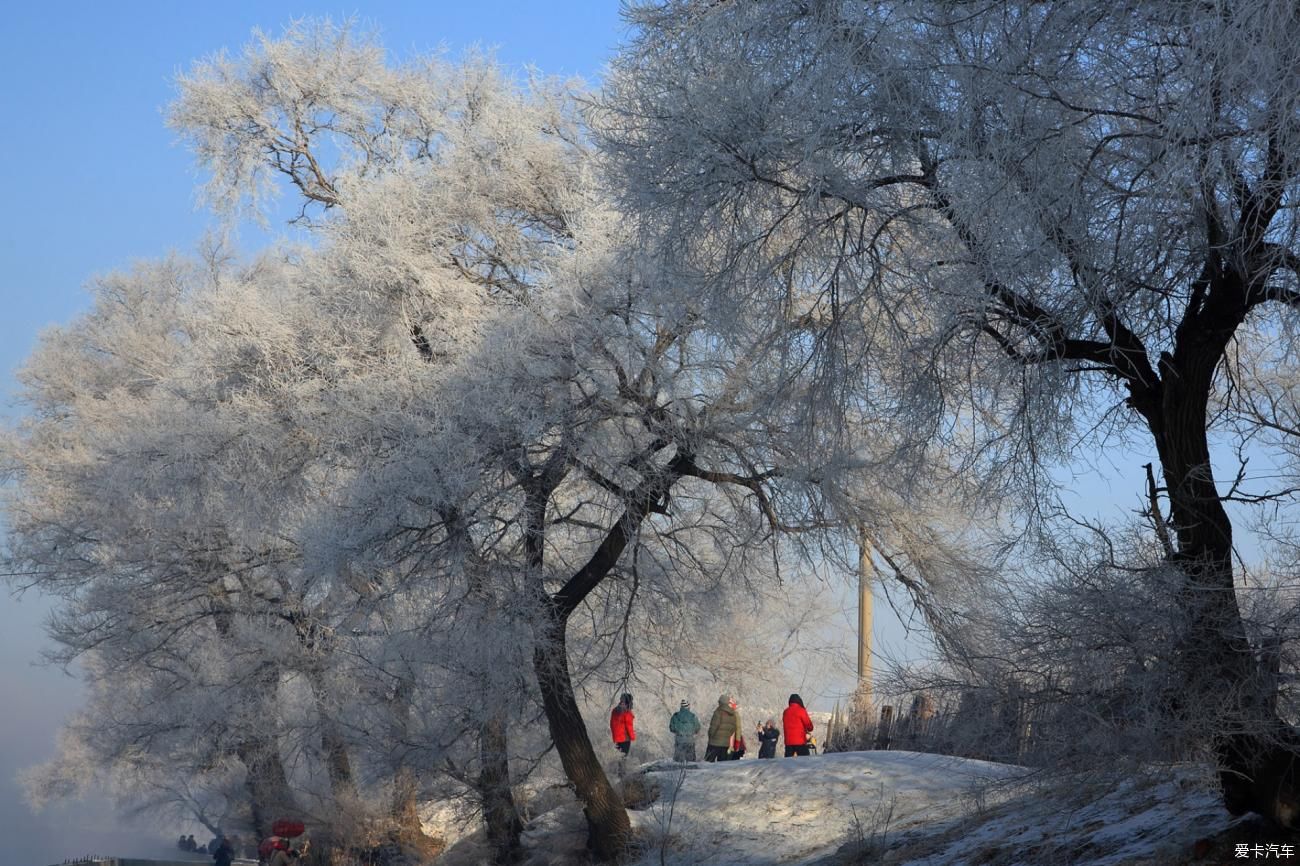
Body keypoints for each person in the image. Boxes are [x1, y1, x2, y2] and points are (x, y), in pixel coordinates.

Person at [705, 694, 742, 762]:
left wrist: (711, 737)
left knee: (708, 763)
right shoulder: (733, 714)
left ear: (721, 702)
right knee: (722, 765)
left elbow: (713, 727)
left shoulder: (718, 712)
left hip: (714, 742)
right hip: (725, 744)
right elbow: (733, 728)